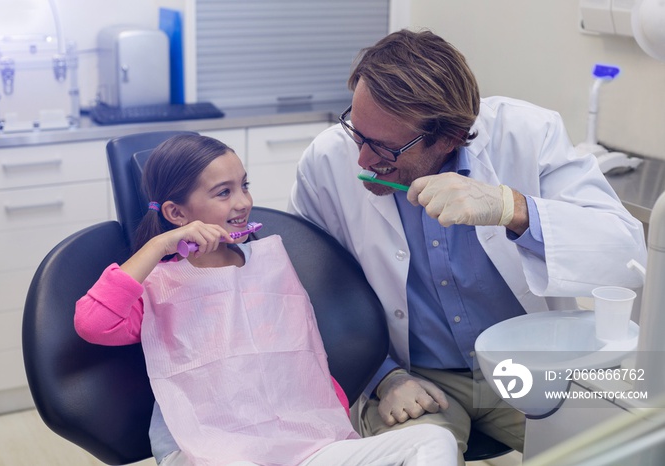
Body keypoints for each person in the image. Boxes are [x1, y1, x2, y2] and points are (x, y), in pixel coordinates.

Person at [288, 29, 647, 464]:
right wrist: (383, 379)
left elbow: (625, 254)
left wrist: (512, 208)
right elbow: (310, 293)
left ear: (449, 136)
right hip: (413, 378)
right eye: (355, 131)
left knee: (622, 450)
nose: (362, 160)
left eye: (383, 146)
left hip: (528, 365)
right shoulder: (326, 162)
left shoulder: (529, 135)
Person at [74, 133, 457, 466]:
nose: (243, 202)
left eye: (244, 185)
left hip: (303, 442)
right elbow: (93, 323)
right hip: (209, 449)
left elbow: (298, 361)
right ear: (176, 213)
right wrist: (159, 246)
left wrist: (330, 422)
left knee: (434, 439)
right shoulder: (157, 285)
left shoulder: (270, 263)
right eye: (224, 192)